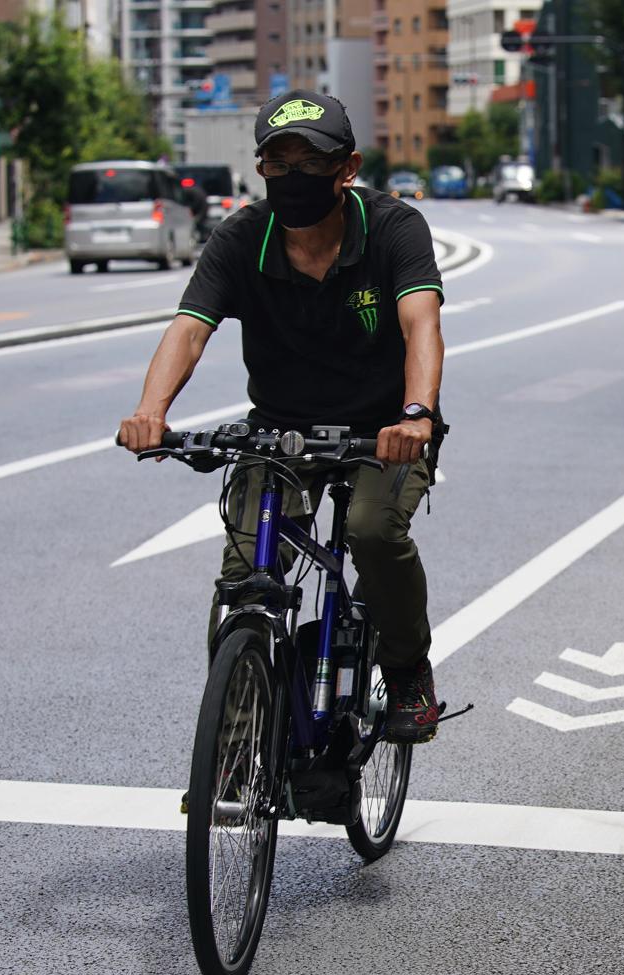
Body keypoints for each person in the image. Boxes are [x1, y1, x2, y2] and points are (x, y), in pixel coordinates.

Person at [117, 91, 448, 743]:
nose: (292, 177)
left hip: (384, 431)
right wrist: (150, 411)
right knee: (244, 581)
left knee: (371, 532)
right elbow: (189, 329)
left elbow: (421, 325)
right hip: (280, 431)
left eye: (310, 162)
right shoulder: (243, 238)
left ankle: (408, 669)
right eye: (277, 161)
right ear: (261, 168)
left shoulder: (392, 229)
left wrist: (417, 415)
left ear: (346, 168)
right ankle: (237, 752)